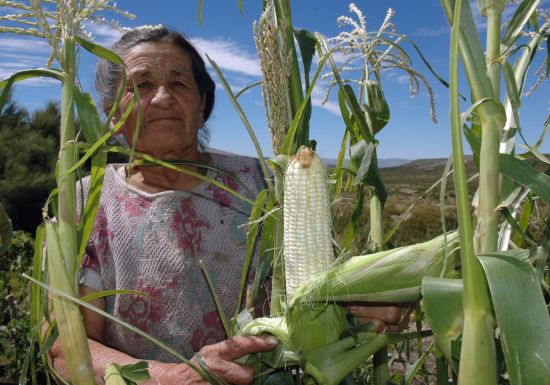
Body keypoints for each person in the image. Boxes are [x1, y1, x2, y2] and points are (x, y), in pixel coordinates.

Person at [49, 25, 407, 385]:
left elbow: (318, 284)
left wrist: (358, 307)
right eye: (141, 85)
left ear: (202, 103)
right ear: (112, 113)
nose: (162, 99)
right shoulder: (86, 201)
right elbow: (65, 348)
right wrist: (170, 377)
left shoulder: (264, 181)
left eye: (179, 84)